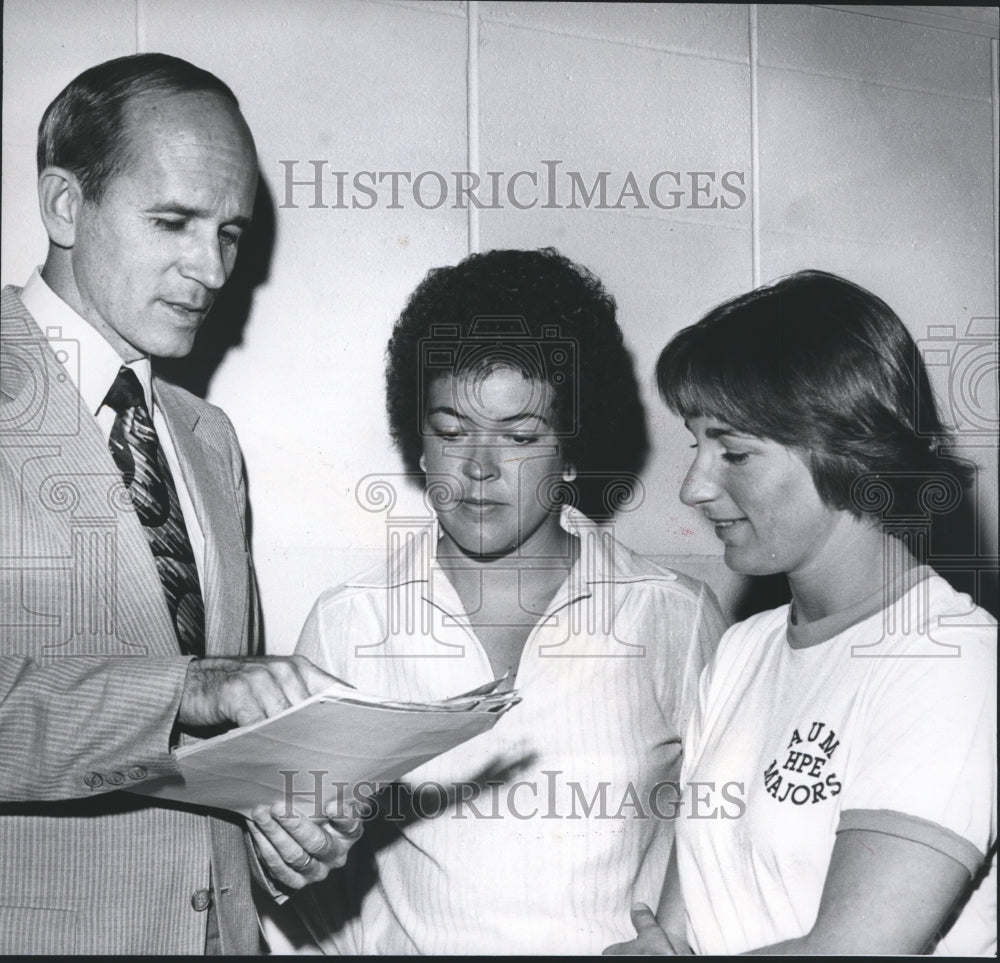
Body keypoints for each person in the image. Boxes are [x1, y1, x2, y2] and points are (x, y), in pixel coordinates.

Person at [0, 53, 361, 955]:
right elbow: (193, 696)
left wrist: (286, 817)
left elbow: (222, 737)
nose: (212, 267)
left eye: (231, 233)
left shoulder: (209, 440)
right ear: (64, 206)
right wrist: (192, 688)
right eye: (174, 221)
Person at [286, 247, 728, 954]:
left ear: (572, 448)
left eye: (522, 436)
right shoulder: (350, 624)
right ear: (419, 442)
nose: (481, 467)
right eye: (453, 431)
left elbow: (727, 834)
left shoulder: (672, 615)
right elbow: (301, 884)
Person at [605, 270, 996, 956]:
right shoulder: (743, 649)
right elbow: (681, 924)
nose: (694, 486)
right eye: (697, 446)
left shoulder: (950, 658)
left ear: (845, 446)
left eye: (734, 452)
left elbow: (855, 950)